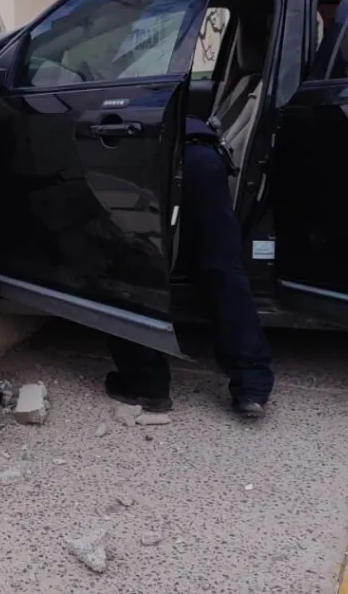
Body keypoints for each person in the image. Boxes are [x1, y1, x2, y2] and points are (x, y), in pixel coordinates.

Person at [104, 116, 275, 419]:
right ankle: (252, 386)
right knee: (223, 270)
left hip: (159, 156)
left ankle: (147, 385)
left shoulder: (124, 88)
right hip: (204, 158)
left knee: (130, 267)